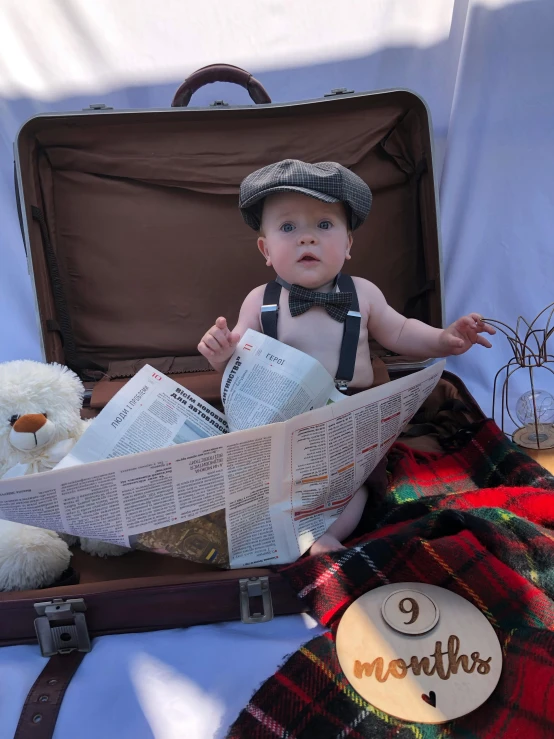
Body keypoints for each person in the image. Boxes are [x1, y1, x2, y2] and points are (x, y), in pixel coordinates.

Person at [198, 160, 495, 554]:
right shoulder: (260, 300)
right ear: (266, 249)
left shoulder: (364, 294)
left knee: (352, 484)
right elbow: (237, 362)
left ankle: (326, 536)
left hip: (349, 421)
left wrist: (445, 339)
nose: (307, 239)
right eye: (288, 228)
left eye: (324, 225)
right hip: (284, 424)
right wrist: (221, 352)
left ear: (349, 244)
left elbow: (402, 331)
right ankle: (275, 529)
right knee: (265, 482)